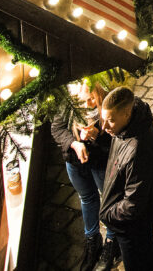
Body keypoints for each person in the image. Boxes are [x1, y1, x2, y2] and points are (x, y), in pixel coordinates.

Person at [51, 82, 113, 271]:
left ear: (99, 92)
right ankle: (93, 239)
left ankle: (112, 240)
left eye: (91, 98)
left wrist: (97, 135)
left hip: (101, 161)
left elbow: (118, 134)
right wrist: (75, 144)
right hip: (76, 163)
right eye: (83, 101)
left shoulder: (107, 102)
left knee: (109, 198)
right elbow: (57, 129)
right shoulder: (67, 104)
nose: (87, 104)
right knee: (87, 198)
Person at [98, 87, 153, 271]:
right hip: (133, 222)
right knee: (148, 251)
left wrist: (107, 214)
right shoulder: (127, 125)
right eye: (104, 119)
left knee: (139, 261)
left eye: (110, 121)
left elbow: (133, 204)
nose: (104, 127)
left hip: (132, 226)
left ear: (126, 114)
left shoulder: (137, 151)